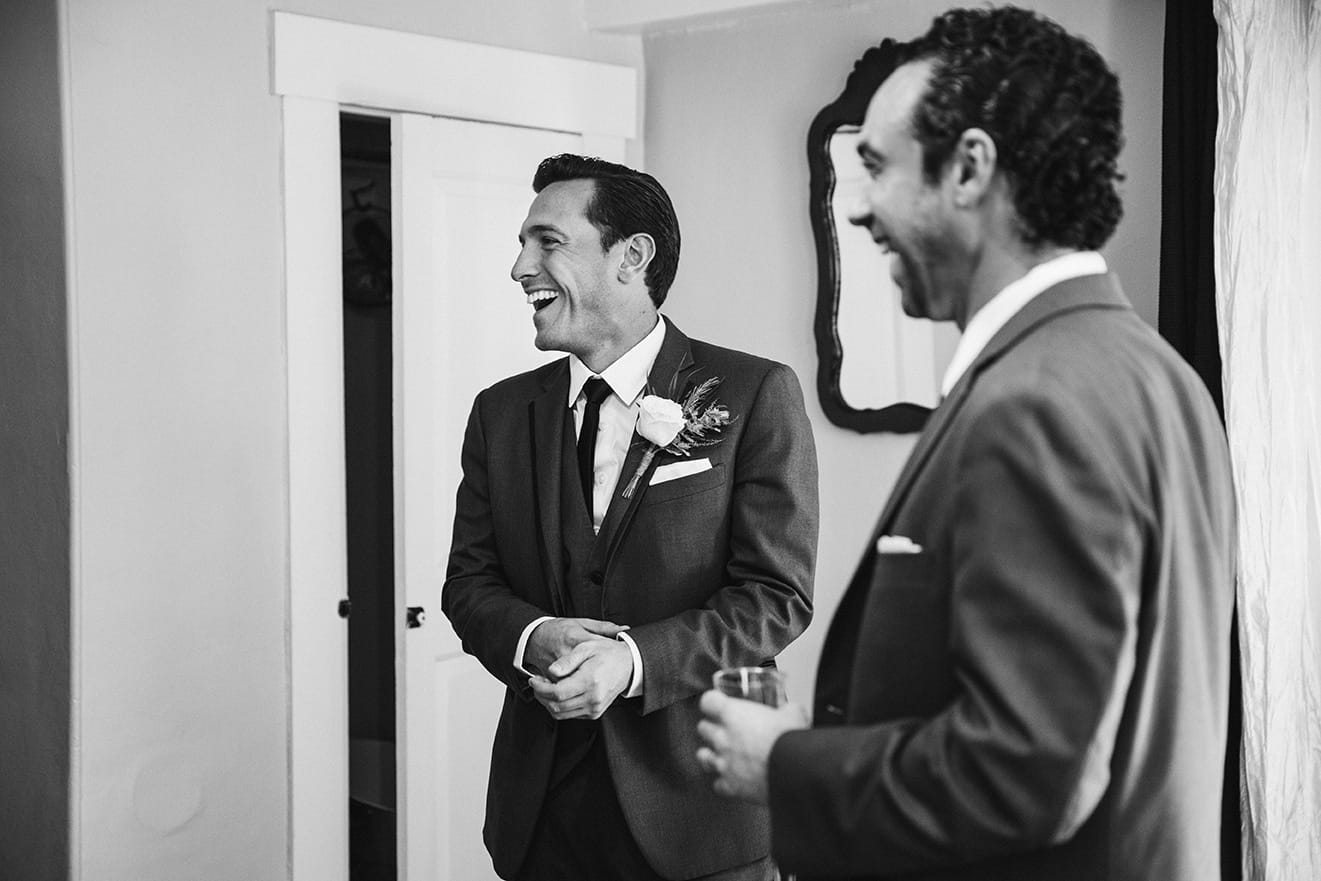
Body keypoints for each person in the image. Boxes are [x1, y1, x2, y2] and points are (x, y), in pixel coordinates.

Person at [696, 7, 1236, 881]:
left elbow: (1023, 771)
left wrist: (785, 762)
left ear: (969, 169)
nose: (857, 206)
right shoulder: (1154, 370)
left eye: (874, 166)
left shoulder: (1035, 402)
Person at [442, 153, 819, 881]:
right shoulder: (500, 413)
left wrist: (634, 660)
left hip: (700, 815)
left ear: (632, 256)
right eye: (524, 243)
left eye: (546, 241)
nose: (520, 266)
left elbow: (776, 596)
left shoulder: (752, 392)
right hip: (540, 815)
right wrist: (530, 634)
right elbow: (468, 582)